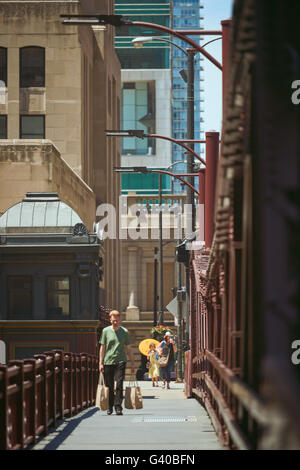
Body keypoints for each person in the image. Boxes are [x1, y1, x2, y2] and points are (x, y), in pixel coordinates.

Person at [99, 310, 135, 415]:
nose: (115, 322)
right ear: (110, 320)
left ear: (120, 320)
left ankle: (118, 406)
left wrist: (132, 363)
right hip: (108, 361)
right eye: (114, 320)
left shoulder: (124, 332)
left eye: (117, 320)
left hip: (121, 361)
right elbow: (103, 347)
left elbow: (128, 348)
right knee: (109, 385)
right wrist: (100, 363)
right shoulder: (105, 331)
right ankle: (109, 406)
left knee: (119, 384)